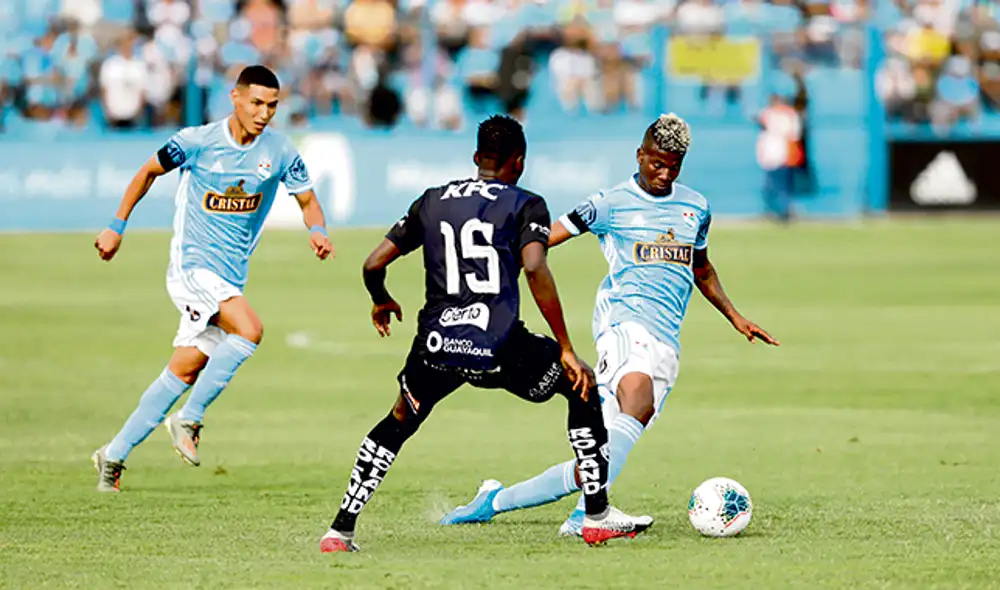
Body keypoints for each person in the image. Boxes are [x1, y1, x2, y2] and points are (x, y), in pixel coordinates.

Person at [319, 115, 651, 553]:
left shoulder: (432, 200)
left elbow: (372, 264)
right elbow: (535, 266)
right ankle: (596, 515)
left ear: (477, 158)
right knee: (582, 390)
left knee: (399, 420)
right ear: (520, 163)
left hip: (437, 346)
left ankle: (340, 529)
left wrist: (380, 299)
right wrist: (567, 349)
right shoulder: (526, 203)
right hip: (499, 346)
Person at [441, 113, 779, 536]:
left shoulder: (695, 207)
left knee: (594, 462)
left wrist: (736, 317)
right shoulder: (610, 202)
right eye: (657, 163)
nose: (664, 173)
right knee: (637, 401)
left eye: (673, 166)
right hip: (624, 325)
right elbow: (543, 238)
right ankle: (588, 517)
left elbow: (702, 268)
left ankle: (494, 500)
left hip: (666, 341)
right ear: (640, 155)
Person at [91, 65, 334, 492]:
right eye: (256, 103)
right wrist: (116, 225)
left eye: (272, 106)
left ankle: (113, 454)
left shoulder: (279, 150)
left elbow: (308, 200)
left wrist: (317, 230)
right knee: (250, 329)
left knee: (184, 370)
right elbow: (147, 172)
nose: (264, 113)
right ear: (235, 98)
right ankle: (189, 419)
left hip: (229, 276)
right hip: (192, 268)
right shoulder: (196, 142)